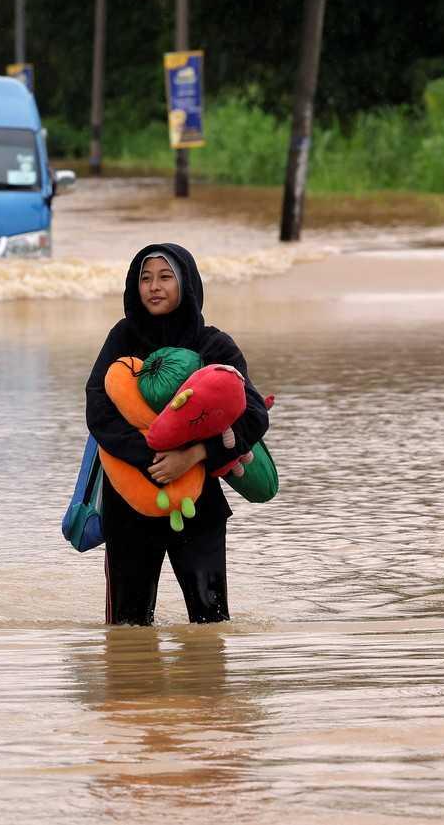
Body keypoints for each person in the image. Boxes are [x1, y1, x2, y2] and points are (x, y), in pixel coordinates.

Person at [85, 243, 269, 626]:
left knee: (211, 623)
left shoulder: (213, 344)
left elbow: (252, 416)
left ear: (187, 283)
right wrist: (153, 457)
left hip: (200, 503)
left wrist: (195, 454)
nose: (154, 287)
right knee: (127, 630)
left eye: (165, 277)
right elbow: (98, 410)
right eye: (145, 278)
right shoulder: (122, 338)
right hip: (129, 502)